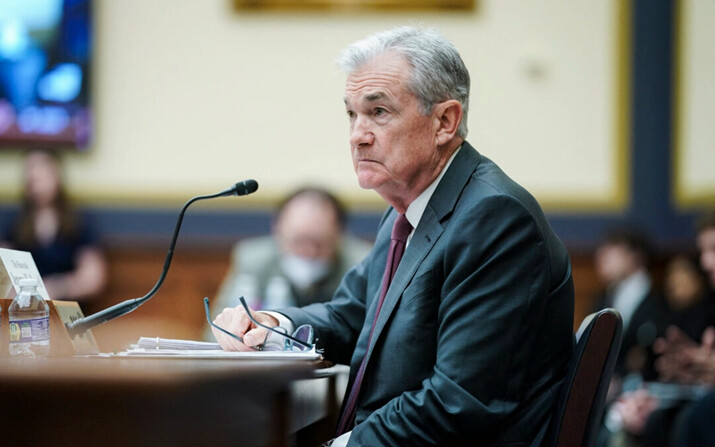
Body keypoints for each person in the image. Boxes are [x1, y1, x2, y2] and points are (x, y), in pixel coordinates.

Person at [212, 26, 574, 446]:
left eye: (378, 112)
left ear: (444, 121)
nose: (357, 135)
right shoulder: (408, 209)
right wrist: (272, 324)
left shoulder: (494, 218)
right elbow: (352, 316)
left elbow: (459, 403)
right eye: (352, 114)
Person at [203, 187, 372, 339]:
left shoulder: (361, 264)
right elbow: (215, 332)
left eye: (318, 243)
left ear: (339, 234)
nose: (309, 252)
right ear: (277, 229)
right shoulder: (253, 260)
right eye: (298, 241)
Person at [0, 149, 106, 302]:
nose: (35, 178)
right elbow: (2, 273)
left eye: (42, 173)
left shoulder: (78, 221)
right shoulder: (14, 222)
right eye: (31, 174)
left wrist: (58, 287)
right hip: (24, 312)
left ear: (57, 176)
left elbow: (93, 278)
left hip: (68, 311)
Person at [592, 227, 669, 381]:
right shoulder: (603, 298)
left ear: (636, 256)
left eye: (613, 251)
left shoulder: (658, 301)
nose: (602, 257)